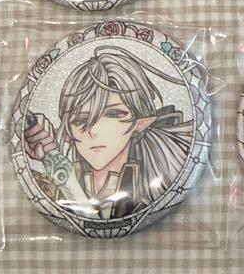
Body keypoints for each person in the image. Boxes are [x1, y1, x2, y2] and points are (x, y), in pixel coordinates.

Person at [23, 46, 193, 218]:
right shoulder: (49, 185)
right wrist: (30, 134)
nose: (94, 131)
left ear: (139, 124)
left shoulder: (160, 182)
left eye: (114, 114)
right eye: (81, 120)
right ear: (68, 132)